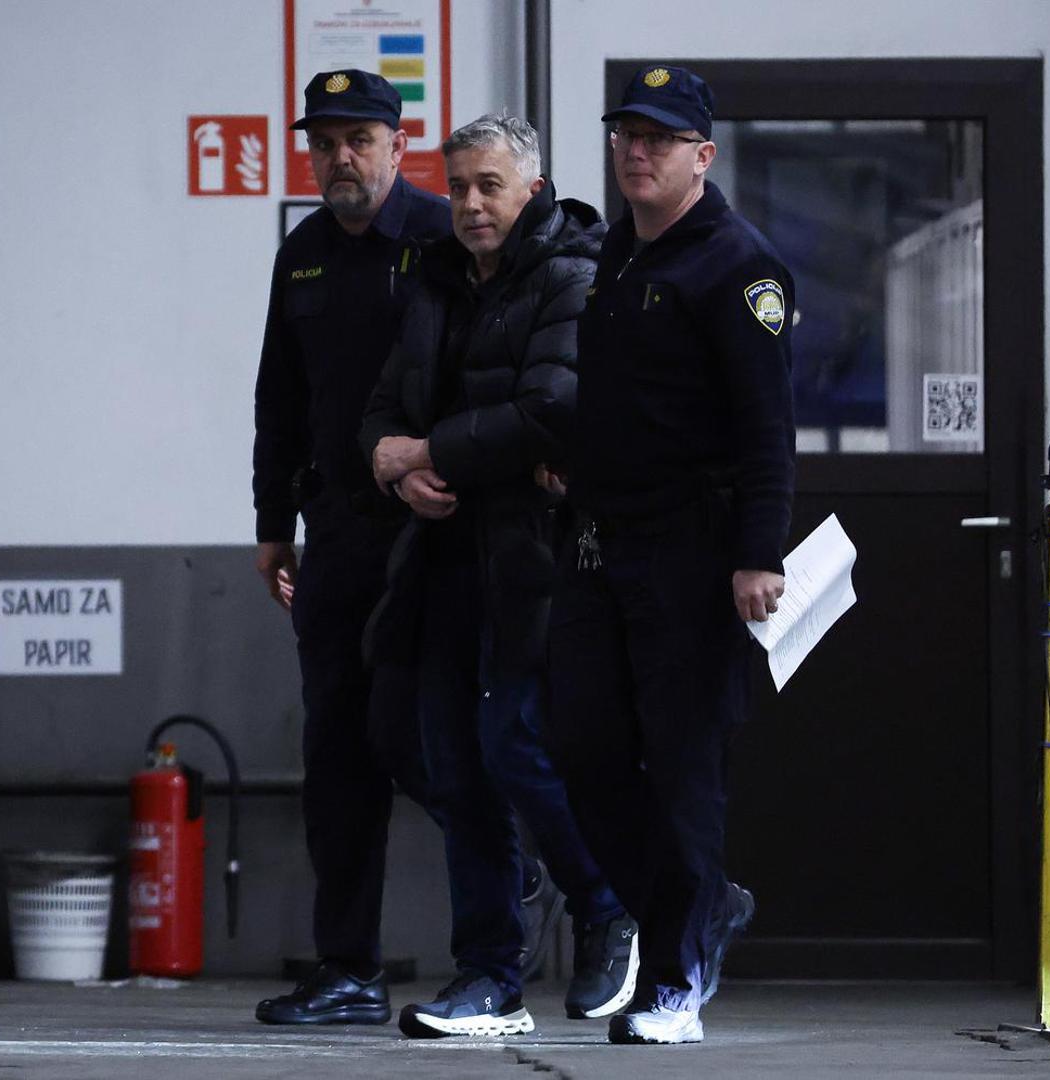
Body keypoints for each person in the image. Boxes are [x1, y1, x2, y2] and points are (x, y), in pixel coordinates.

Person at [359, 113, 638, 1038]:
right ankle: (488, 978)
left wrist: (427, 450)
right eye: (459, 187)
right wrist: (393, 466)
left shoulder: (573, 273)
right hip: (441, 555)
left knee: (512, 742)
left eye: (490, 186)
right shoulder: (438, 280)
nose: (471, 205)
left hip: (534, 558)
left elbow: (550, 408)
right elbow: (382, 411)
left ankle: (609, 904)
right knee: (450, 763)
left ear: (533, 189)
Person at [544, 65, 796, 1046]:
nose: (636, 152)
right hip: (599, 542)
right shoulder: (619, 250)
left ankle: (675, 981)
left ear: (703, 155)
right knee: (581, 750)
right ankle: (702, 908)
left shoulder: (739, 266)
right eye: (626, 135)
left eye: (658, 139)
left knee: (685, 766)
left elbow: (766, 426)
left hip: (693, 550)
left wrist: (758, 553)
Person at [250, 68, 457, 1026]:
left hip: (433, 534)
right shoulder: (302, 255)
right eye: (324, 142)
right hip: (334, 536)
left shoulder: (444, 239)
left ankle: (527, 877)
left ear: (398, 146)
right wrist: (271, 527)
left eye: (359, 140)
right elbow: (278, 400)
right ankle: (349, 972)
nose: (341, 157)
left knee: (419, 736)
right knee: (335, 753)